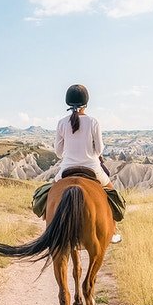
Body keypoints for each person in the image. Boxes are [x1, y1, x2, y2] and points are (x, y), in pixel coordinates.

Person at [54, 84, 121, 243]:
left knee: (47, 194)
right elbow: (99, 149)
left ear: (68, 103)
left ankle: (49, 225)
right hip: (92, 168)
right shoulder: (93, 122)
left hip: (66, 169)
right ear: (86, 103)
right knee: (113, 195)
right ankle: (113, 231)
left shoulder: (62, 123)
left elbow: (58, 151)